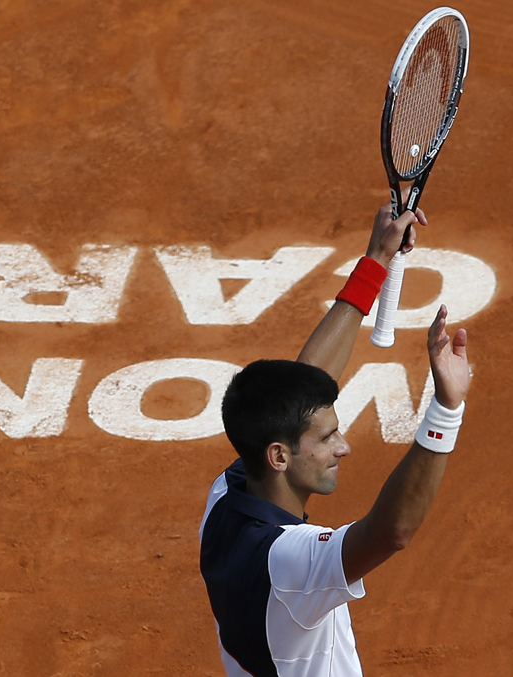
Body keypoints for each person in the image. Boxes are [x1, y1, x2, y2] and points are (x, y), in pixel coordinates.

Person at [199, 198, 471, 677]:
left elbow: (302, 387)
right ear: (280, 456)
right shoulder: (289, 562)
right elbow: (392, 532)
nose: (343, 446)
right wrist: (445, 409)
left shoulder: (226, 499)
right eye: (327, 439)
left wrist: (377, 261)